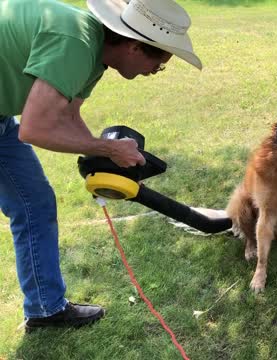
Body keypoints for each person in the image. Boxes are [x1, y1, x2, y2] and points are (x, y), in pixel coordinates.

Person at [0, 0, 202, 332]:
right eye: (160, 62)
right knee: (32, 203)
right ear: (135, 47)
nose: (157, 71)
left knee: (34, 203)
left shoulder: (96, 54)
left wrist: (103, 160)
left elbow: (67, 115)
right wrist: (108, 147)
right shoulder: (76, 44)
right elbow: (34, 129)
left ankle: (44, 309)